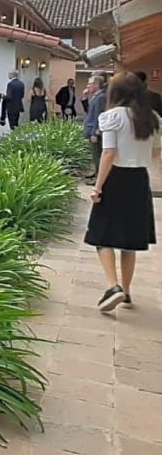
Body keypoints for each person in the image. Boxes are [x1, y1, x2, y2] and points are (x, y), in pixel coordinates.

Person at [85, 72, 159, 312]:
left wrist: (98, 186)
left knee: (101, 235)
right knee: (130, 241)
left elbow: (109, 153)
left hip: (116, 178)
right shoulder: (153, 119)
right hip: (139, 179)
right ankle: (126, 291)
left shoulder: (111, 117)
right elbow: (156, 153)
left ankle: (113, 285)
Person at [83, 75, 107, 186]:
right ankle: (96, 173)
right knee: (95, 154)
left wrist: (94, 132)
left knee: (97, 155)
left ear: (97, 85)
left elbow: (98, 115)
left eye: (90, 84)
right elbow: (89, 111)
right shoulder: (96, 96)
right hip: (90, 129)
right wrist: (85, 98)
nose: (88, 86)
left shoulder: (101, 97)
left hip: (95, 132)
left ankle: (99, 178)